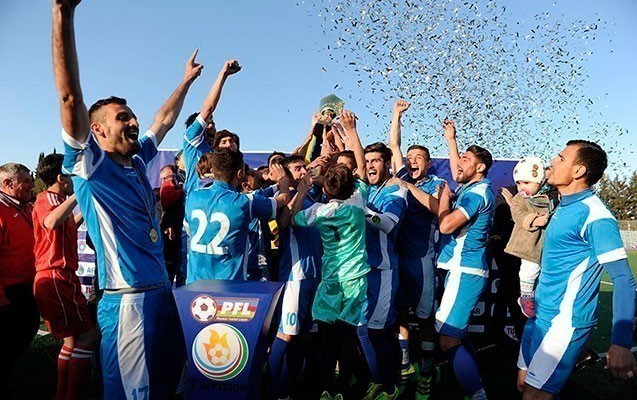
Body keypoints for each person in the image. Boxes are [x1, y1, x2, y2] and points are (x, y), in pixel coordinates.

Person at [53, 1, 202, 396]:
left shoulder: (137, 161)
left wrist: (186, 81)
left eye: (132, 115)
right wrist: (63, 14)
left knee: (170, 387)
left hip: (161, 293)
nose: (133, 121)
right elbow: (69, 99)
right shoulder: (90, 166)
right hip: (128, 303)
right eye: (122, 117)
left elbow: (164, 120)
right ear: (97, 131)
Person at [517, 140, 636, 399]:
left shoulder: (596, 215)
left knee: (534, 396)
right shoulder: (564, 204)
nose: (552, 161)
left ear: (578, 171)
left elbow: (623, 278)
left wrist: (621, 342)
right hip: (540, 314)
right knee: (524, 384)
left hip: (564, 322)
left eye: (561, 158)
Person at [292, 164, 369, 400]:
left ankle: (325, 386)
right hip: (354, 279)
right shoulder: (358, 203)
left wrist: (302, 191)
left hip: (330, 281)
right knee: (347, 335)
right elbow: (361, 173)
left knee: (327, 337)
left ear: (325, 190)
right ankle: (342, 389)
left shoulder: (318, 211)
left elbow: (294, 219)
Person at [388, 99, 444, 399]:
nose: (411, 161)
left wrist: (409, 188)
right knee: (399, 314)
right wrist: (397, 115)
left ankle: (426, 370)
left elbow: (437, 209)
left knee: (424, 320)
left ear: (428, 162)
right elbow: (394, 146)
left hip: (422, 260)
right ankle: (405, 365)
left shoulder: (437, 183)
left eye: (418, 157)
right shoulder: (402, 175)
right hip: (397, 259)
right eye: (409, 157)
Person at [435, 120, 494, 400]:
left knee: (448, 339)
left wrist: (443, 199)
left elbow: (446, 225)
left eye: (466, 160)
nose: (459, 164)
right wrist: (451, 140)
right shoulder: (474, 187)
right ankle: (476, 386)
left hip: (465, 271)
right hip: (463, 270)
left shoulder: (477, 193)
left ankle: (477, 394)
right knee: (456, 335)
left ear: (480, 167)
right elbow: (459, 170)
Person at [32, 153, 98, 400]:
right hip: (56, 276)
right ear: (61, 178)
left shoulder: (57, 201)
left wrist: (84, 211)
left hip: (58, 276)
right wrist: (79, 193)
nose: (75, 180)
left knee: (71, 341)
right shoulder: (48, 198)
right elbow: (51, 222)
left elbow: (64, 223)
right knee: (88, 337)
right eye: (73, 176)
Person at [268, 154, 323, 400]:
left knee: (306, 336)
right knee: (286, 334)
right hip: (295, 275)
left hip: (315, 275)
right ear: (287, 175)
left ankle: (290, 387)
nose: (303, 171)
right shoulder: (283, 197)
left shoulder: (313, 196)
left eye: (304, 167)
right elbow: (284, 223)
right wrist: (299, 192)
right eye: (297, 168)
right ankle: (273, 391)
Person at [0, 163, 38, 398]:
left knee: (25, 331)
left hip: (27, 286)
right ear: (8, 183)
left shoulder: (25, 207)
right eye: (26, 181)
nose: (32, 185)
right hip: (8, 291)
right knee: (7, 340)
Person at [501, 157, 552, 318]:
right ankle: (526, 297)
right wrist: (534, 220)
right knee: (529, 270)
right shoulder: (519, 198)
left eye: (527, 182)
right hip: (530, 243)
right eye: (518, 183)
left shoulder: (552, 194)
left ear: (540, 181)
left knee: (543, 274)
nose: (522, 187)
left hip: (548, 245)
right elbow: (518, 214)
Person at [159, 164, 186, 286]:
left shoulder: (177, 187)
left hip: (180, 235)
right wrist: (182, 191)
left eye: (167, 178)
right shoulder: (167, 189)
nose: (165, 182)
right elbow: (167, 201)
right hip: (171, 236)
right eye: (162, 179)